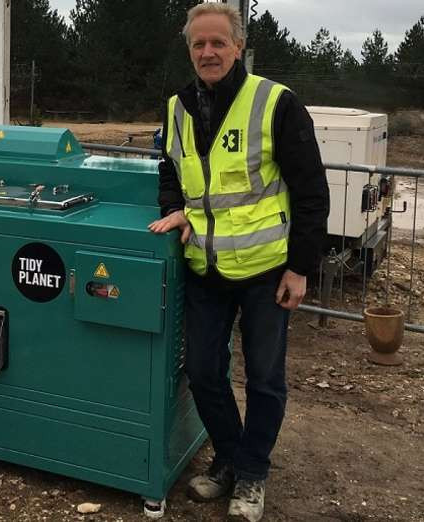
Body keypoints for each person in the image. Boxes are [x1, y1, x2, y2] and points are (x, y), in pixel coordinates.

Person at [148, 3, 329, 521]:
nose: (208, 52)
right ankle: (229, 458)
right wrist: (174, 210)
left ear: (238, 47)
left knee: (265, 378)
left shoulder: (276, 103)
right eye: (198, 44)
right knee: (203, 371)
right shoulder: (177, 107)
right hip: (205, 270)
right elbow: (170, 172)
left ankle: (252, 474)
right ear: (189, 50)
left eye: (218, 43)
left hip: (267, 271)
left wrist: (300, 268)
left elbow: (312, 192)